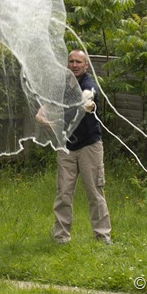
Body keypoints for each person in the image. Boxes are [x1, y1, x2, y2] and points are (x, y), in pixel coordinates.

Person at [35, 49, 112, 245]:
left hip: (89, 146)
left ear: (86, 66)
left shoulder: (89, 84)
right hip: (66, 145)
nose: (74, 65)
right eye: (71, 61)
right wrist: (41, 114)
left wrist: (87, 104)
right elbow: (49, 103)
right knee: (63, 192)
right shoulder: (63, 85)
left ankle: (103, 237)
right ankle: (61, 237)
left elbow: (89, 96)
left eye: (78, 62)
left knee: (94, 192)